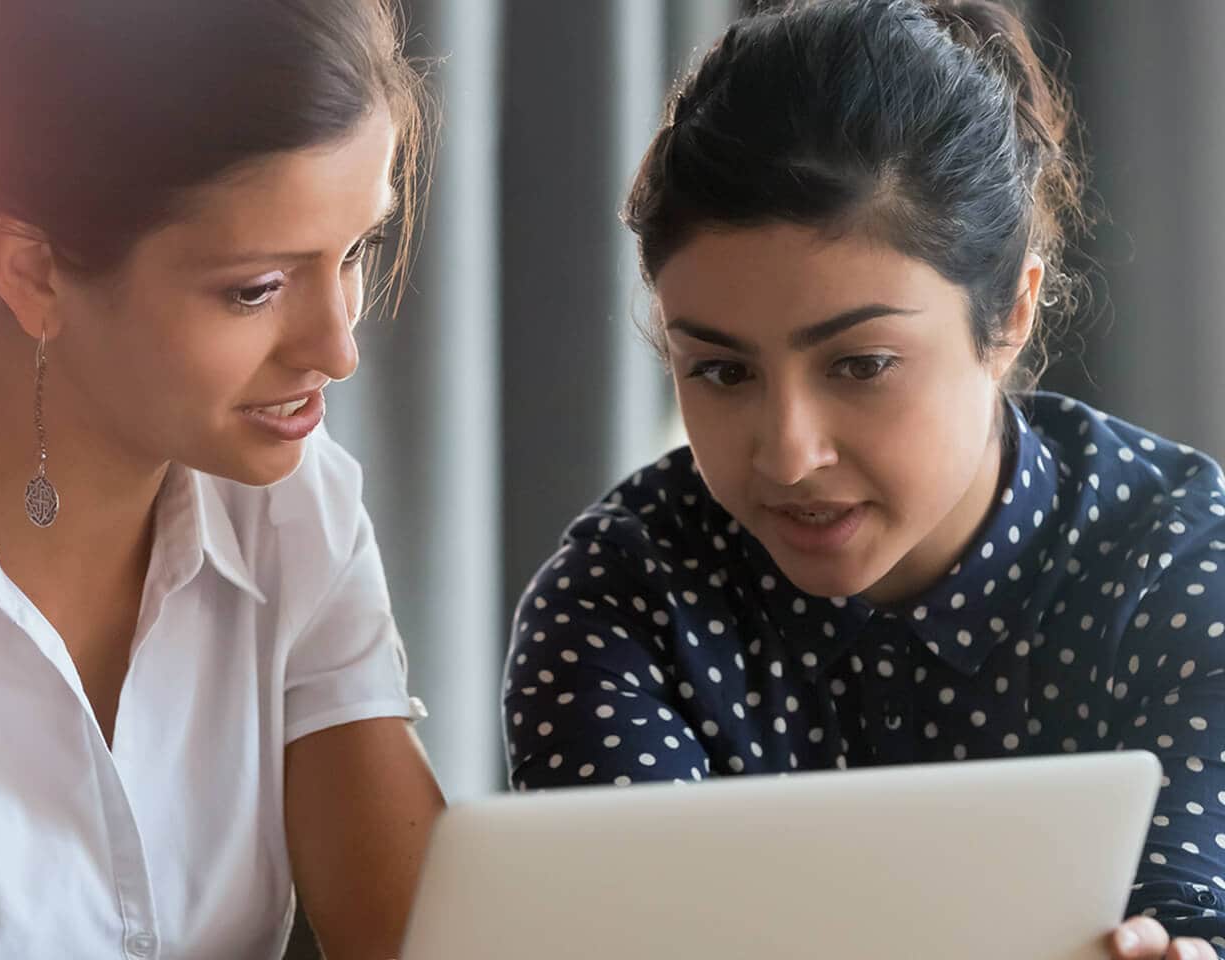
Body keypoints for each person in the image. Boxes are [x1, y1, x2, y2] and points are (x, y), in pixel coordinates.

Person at [504, 1, 1225, 957]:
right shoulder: (623, 605)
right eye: (722, 372)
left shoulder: (1176, 559)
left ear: (1010, 313)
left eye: (860, 365)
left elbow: (1189, 902)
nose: (788, 455)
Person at [0, 1, 444, 958]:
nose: (337, 349)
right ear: (35, 271)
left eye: (354, 254)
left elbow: (425, 937)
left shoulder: (296, 514)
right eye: (255, 288)